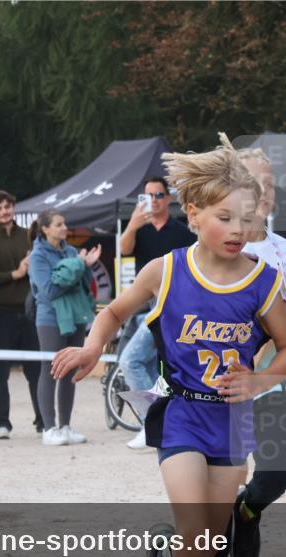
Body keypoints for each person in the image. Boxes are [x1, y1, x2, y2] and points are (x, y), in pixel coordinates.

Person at [51, 140, 286, 557]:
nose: (237, 229)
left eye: (246, 218)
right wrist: (93, 346)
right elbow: (113, 312)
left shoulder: (263, 280)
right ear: (194, 214)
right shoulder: (166, 271)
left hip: (231, 425)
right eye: (224, 217)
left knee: (205, 546)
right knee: (196, 534)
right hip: (183, 415)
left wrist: (258, 380)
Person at [199, 139, 286, 557]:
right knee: (220, 480)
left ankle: (246, 514)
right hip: (219, 382)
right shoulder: (208, 244)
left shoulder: (285, 251)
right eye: (255, 183)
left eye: (270, 185)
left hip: (266, 378)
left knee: (276, 475)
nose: (264, 192)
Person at [118, 176, 196, 450]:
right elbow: (123, 251)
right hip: (143, 305)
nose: (153, 201)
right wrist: (132, 225)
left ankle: (152, 423)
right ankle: (159, 422)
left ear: (169, 198)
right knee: (143, 364)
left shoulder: (181, 232)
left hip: (169, 308)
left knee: (132, 361)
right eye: (148, 196)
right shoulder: (139, 228)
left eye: (158, 195)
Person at [27, 209, 100, 446]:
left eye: (64, 223)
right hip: (50, 319)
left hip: (75, 317)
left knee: (70, 371)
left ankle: (66, 426)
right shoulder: (37, 256)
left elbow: (80, 282)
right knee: (51, 370)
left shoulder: (69, 251)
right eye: (58, 224)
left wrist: (85, 265)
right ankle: (49, 428)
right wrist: (77, 264)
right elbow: (49, 290)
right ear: (45, 229)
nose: (64, 227)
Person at [0, 190, 43, 439]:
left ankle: (43, 419)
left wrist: (32, 265)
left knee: (36, 369)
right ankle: (0, 422)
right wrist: (14, 274)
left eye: (7, 206)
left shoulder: (30, 236)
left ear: (13, 208)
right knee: (0, 371)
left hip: (29, 312)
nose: (4, 211)